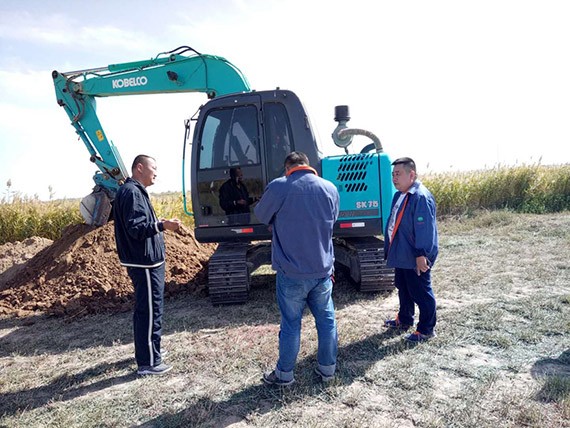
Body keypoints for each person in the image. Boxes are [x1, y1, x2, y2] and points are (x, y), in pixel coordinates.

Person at [254, 151, 340, 386]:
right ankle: (328, 370)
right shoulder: (329, 188)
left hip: (291, 272)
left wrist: (277, 221)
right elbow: (332, 220)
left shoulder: (279, 187)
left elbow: (261, 215)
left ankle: (284, 375)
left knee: (291, 324)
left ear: (287, 169)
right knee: (327, 321)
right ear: (307, 165)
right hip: (322, 271)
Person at [113, 154, 181, 375]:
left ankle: (151, 351)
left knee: (148, 309)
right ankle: (149, 362)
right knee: (150, 311)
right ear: (140, 168)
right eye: (154, 168)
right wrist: (162, 226)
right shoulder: (132, 192)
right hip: (144, 263)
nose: (156, 173)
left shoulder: (134, 191)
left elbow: (140, 223)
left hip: (146, 262)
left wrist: (159, 223)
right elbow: (136, 228)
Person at [383, 157, 439, 343]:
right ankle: (405, 319)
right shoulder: (399, 195)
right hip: (401, 252)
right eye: (393, 175)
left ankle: (426, 329)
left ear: (411, 174)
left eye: (398, 174)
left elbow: (425, 230)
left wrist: (421, 254)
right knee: (404, 288)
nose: (394, 178)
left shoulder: (420, 197)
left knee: (420, 292)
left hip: (415, 255)